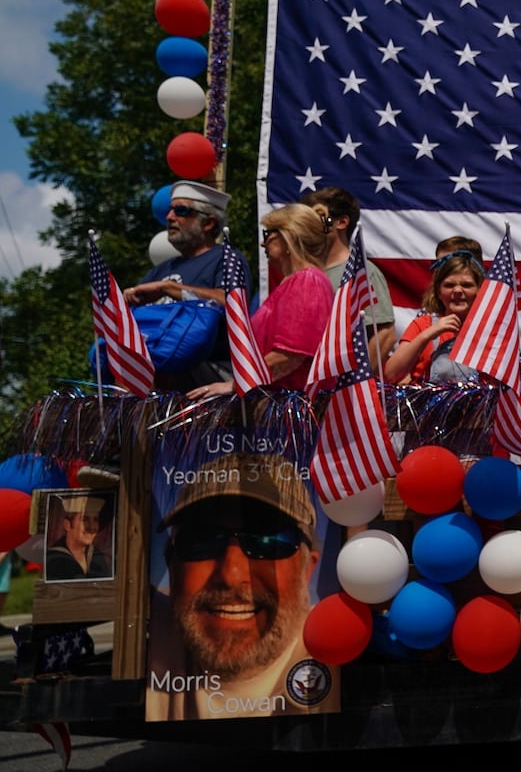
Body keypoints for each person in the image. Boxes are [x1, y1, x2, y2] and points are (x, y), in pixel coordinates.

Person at [145, 452, 335, 721]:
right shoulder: (152, 623)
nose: (232, 575)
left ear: (308, 569)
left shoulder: (332, 647)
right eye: (201, 539)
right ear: (171, 565)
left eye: (268, 540)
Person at [186, 204, 334, 397]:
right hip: (277, 403)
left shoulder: (307, 281)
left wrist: (235, 384)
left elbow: (289, 355)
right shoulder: (295, 282)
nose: (263, 244)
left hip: (291, 410)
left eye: (268, 236)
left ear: (290, 237)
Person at [124, 180, 248, 388]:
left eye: (181, 211)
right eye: (170, 210)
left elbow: (232, 304)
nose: (169, 217)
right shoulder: (162, 269)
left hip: (211, 370)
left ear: (208, 223)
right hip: (159, 367)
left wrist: (169, 289)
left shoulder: (227, 258)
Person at [301, 186, 396, 363]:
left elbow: (384, 335)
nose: (307, 226)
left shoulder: (362, 272)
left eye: (315, 219)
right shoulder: (304, 274)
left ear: (341, 222)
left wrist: (356, 384)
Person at [383, 249, 485, 384]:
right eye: (449, 285)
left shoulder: (490, 328)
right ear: (438, 291)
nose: (458, 291)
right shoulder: (423, 325)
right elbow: (391, 374)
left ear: (480, 290)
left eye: (467, 285)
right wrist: (428, 334)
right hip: (429, 404)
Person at [45, 493, 112, 581]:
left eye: (95, 520)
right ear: (67, 525)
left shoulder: (97, 556)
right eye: (85, 519)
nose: (92, 527)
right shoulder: (54, 560)